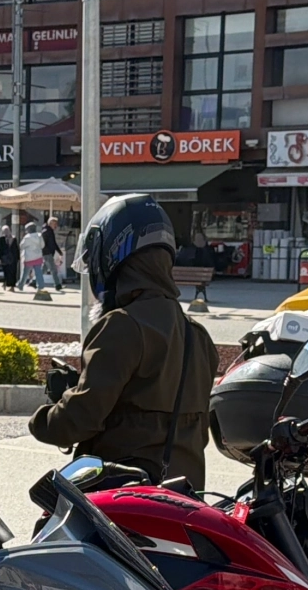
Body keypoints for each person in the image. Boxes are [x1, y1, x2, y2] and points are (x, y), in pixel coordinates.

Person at [29, 193, 218, 490]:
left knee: (45, 511)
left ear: (112, 256)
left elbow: (79, 420)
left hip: (122, 499)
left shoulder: (122, 326)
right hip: (185, 499)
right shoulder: (198, 336)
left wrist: (43, 419)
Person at [19, 221, 46, 289]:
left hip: (29, 257)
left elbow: (21, 246)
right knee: (38, 273)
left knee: (25, 273)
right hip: (38, 257)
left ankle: (21, 285)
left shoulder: (27, 237)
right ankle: (41, 286)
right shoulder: (39, 236)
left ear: (29, 229)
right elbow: (43, 245)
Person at [43, 216, 66, 291]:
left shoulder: (49, 231)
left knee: (43, 269)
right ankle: (57, 285)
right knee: (54, 270)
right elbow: (46, 243)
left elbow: (53, 243)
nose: (56, 226)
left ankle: (33, 281)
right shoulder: (47, 231)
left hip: (47, 253)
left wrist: (59, 252)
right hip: (47, 253)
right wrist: (47, 251)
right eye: (55, 224)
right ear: (50, 223)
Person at [0, 223, 18, 290]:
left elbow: (16, 249)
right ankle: (7, 283)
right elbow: (0, 248)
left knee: (11, 272)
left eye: (6, 230)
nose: (5, 232)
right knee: (7, 271)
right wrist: (0, 257)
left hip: (10, 258)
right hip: (7, 258)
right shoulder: (2, 239)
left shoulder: (13, 238)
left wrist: (17, 258)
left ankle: (11, 285)